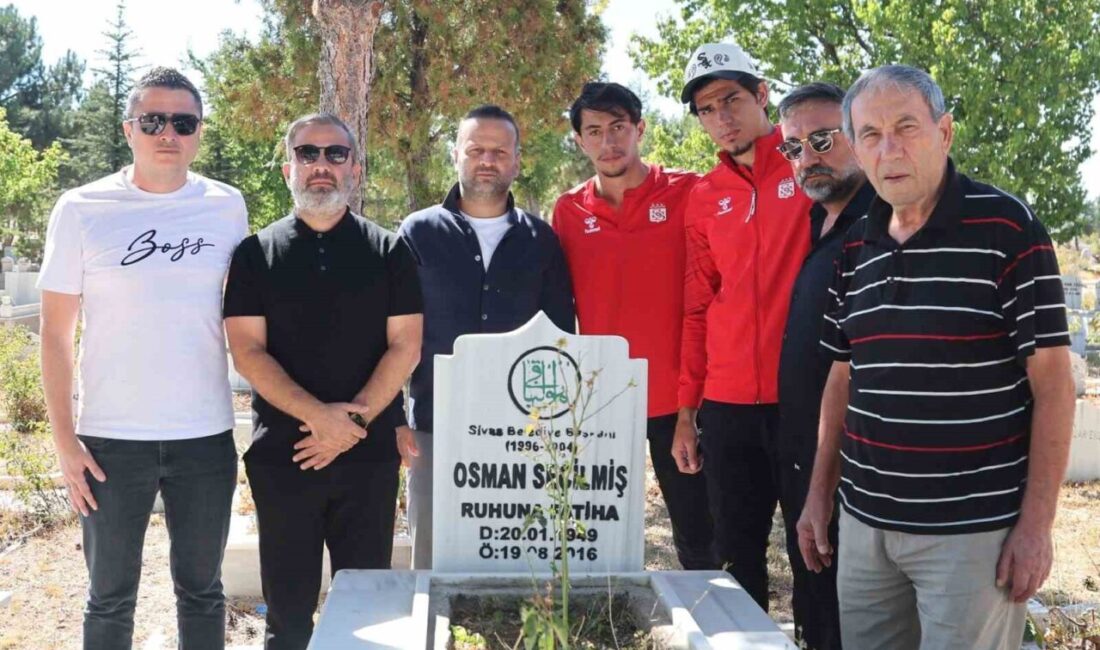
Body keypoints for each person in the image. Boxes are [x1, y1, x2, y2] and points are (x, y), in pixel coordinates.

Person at [798, 65, 1075, 650]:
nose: (889, 149)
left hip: (972, 536)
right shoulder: (854, 245)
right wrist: (820, 493)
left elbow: (1053, 385)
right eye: (870, 134)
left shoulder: (1008, 227)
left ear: (944, 133)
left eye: (906, 127)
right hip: (866, 527)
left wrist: (1036, 526)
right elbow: (842, 378)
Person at [38, 67, 248, 650]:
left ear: (198, 132)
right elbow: (55, 335)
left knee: (203, 592)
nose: (168, 134)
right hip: (109, 442)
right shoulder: (81, 208)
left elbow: (245, 319)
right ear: (129, 129)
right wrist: (65, 442)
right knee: (108, 601)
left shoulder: (226, 207)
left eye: (183, 122)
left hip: (205, 436)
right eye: (153, 121)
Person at [223, 113, 422, 650]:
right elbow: (246, 351)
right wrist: (319, 418)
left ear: (354, 168)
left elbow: (407, 344)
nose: (321, 166)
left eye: (336, 155)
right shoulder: (254, 255)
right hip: (284, 458)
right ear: (288, 166)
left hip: (368, 457)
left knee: (368, 613)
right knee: (286, 617)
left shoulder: (390, 251)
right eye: (308, 154)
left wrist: (350, 422)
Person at [398, 104, 575, 569]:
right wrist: (393, 418)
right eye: (476, 149)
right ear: (455, 154)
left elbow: (559, 339)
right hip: (434, 427)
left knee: (517, 559)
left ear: (517, 160)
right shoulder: (416, 233)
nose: (487, 160)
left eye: (500, 151)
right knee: (432, 562)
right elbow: (391, 335)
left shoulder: (542, 240)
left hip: (522, 431)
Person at [671, 42, 813, 610]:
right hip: (727, 406)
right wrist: (687, 412)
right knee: (734, 556)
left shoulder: (809, 164)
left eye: (731, 99)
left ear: (762, 95)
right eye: (706, 109)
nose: (721, 117)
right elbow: (697, 306)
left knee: (816, 549)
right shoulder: (705, 196)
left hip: (801, 398)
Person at [553, 82, 716, 570]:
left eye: (619, 128)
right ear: (580, 141)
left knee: (699, 534)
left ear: (640, 129)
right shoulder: (568, 210)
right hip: (603, 402)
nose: (609, 142)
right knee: (598, 537)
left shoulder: (689, 191)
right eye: (595, 131)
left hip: (681, 399)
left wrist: (694, 404)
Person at [774, 81, 873, 649]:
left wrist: (823, 482)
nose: (806, 158)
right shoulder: (816, 226)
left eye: (820, 139)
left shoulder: (879, 228)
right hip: (802, 464)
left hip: (849, 476)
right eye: (793, 148)